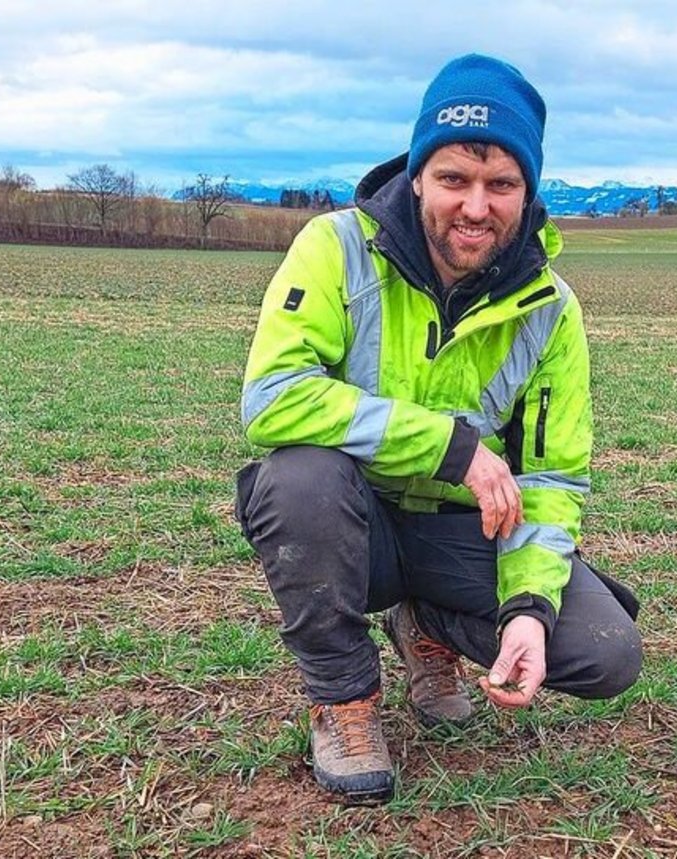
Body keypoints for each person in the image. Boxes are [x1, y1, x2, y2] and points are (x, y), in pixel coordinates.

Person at [234, 53, 642, 805]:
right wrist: (452, 448)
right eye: (455, 178)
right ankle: (344, 699)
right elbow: (272, 398)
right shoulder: (337, 249)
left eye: (502, 184)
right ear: (417, 174)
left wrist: (525, 611)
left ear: (529, 190)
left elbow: (552, 479)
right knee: (296, 480)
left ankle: (429, 626)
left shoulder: (551, 309)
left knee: (602, 651)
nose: (476, 207)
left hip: (461, 534)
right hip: (355, 521)